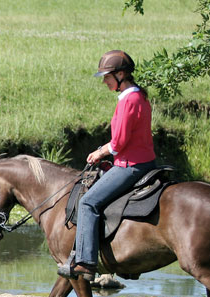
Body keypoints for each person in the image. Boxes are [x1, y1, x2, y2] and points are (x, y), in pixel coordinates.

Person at [64, 50, 156, 278]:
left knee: (88, 202)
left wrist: (100, 153)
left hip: (131, 165)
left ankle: (86, 261)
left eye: (107, 76)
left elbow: (120, 142)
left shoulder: (129, 100)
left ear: (121, 75)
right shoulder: (137, 96)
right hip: (139, 160)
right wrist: (104, 149)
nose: (104, 81)